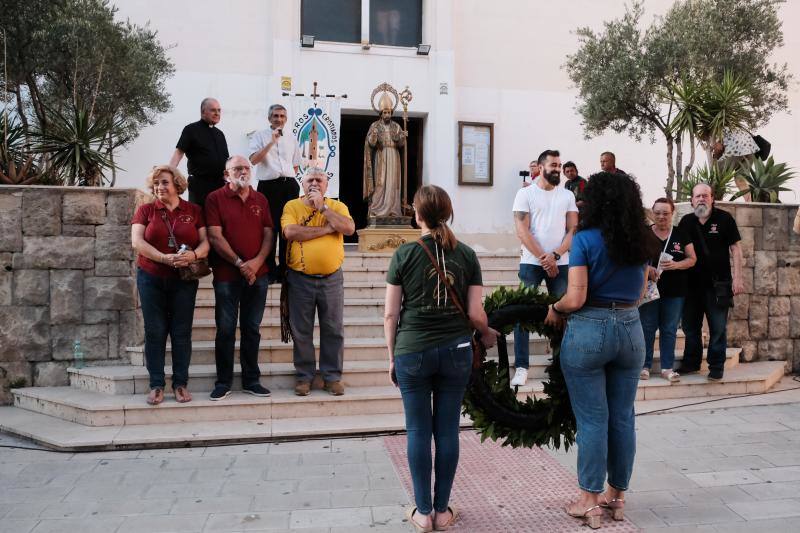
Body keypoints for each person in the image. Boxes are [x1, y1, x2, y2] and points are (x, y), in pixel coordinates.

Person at [544, 171, 660, 529]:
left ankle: (589, 502)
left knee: (593, 419)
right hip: (630, 329)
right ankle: (618, 498)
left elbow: (576, 296)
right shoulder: (640, 239)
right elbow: (640, 294)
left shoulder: (585, 239)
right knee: (623, 417)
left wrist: (555, 308)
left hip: (590, 330)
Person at [384, 185, 498, 533]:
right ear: (448, 213)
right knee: (447, 430)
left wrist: (393, 357)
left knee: (418, 430)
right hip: (456, 351)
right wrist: (489, 334)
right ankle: (443, 510)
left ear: (416, 214)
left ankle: (423, 513)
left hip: (412, 350)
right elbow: (477, 313)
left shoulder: (403, 254)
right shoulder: (466, 254)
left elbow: (391, 316)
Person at [131, 165, 209, 405]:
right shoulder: (146, 210)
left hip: (183, 280)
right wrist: (164, 258)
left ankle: (180, 384)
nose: (159, 187)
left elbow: (206, 243)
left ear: (177, 184)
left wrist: (193, 256)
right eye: (156, 183)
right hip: (151, 276)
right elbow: (137, 241)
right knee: (154, 331)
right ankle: (156, 384)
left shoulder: (193, 210)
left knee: (181, 332)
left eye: (164, 182)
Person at [204, 156, 274, 400]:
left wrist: (256, 263)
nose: (243, 171)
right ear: (227, 174)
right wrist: (239, 263)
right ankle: (223, 382)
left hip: (258, 274)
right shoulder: (215, 198)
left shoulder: (260, 199)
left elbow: (268, 234)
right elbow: (214, 236)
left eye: (246, 168)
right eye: (237, 168)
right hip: (226, 275)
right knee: (225, 329)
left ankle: (251, 380)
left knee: (251, 328)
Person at [282, 167, 355, 396]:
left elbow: (349, 228)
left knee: (333, 328)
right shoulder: (292, 206)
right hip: (299, 278)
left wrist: (322, 206)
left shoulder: (337, 206)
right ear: (302, 184)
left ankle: (332, 377)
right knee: (301, 330)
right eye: (310, 179)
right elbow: (290, 232)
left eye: (319, 180)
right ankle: (305, 377)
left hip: (331, 278)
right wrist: (325, 229)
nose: (314, 183)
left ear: (326, 184)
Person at [511, 149, 578, 387]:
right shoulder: (525, 193)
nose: (558, 169)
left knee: (564, 313)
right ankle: (521, 366)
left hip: (561, 262)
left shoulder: (567, 196)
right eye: (553, 165)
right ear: (541, 167)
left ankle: (560, 365)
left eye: (559, 165)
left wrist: (556, 255)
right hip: (532, 262)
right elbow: (522, 230)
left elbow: (573, 230)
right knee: (522, 313)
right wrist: (544, 258)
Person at [677, 183, 743, 381]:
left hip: (718, 285)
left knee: (718, 328)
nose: (701, 199)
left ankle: (716, 366)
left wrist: (738, 277)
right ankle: (691, 363)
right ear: (692, 200)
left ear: (712, 198)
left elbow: (736, 249)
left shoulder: (725, 219)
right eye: (697, 196)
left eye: (705, 196)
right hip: (690, 286)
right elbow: (678, 251)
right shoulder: (686, 222)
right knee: (690, 327)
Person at [639, 198, 696, 382]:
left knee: (669, 329)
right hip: (649, 290)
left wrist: (675, 265)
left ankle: (667, 368)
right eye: (657, 213)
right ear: (652, 213)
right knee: (647, 328)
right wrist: (648, 270)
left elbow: (692, 259)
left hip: (675, 291)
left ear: (673, 214)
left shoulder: (681, 234)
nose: (661, 216)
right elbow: (634, 260)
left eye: (666, 213)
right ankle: (644, 366)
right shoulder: (644, 234)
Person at [249, 104, 301, 283]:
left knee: (287, 227)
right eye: (276, 116)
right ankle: (269, 269)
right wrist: (271, 142)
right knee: (269, 228)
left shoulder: (292, 138)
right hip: (268, 187)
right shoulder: (259, 136)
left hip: (288, 185)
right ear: (269, 118)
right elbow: (254, 160)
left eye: (282, 116)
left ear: (286, 119)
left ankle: (286, 269)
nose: (279, 119)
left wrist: (286, 178)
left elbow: (295, 164)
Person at [169, 98, 229, 207]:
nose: (217, 113)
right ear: (203, 112)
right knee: (200, 219)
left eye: (219, 110)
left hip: (220, 186)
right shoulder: (190, 130)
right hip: (199, 185)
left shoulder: (220, 134)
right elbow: (179, 153)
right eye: (213, 110)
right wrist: (169, 173)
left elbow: (227, 161)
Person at [363, 92, 406, 218]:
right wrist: (374, 136)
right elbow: (370, 143)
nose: (387, 115)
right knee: (380, 183)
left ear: (391, 113)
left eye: (389, 112)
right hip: (381, 156)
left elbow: (401, 144)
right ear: (381, 113)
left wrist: (403, 137)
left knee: (393, 183)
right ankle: (376, 210)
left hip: (393, 155)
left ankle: (393, 210)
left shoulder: (397, 126)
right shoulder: (375, 125)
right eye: (384, 112)